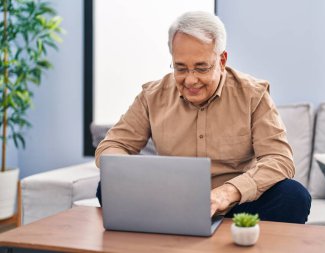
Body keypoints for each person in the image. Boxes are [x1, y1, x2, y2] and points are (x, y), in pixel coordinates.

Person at [95, 11, 311, 224]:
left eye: (201, 68)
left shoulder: (253, 94)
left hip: (236, 206)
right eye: (180, 68)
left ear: (222, 60)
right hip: (170, 202)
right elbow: (112, 145)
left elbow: (280, 160)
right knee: (107, 187)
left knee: (293, 196)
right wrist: (134, 175)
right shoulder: (152, 95)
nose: (190, 80)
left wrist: (228, 192)